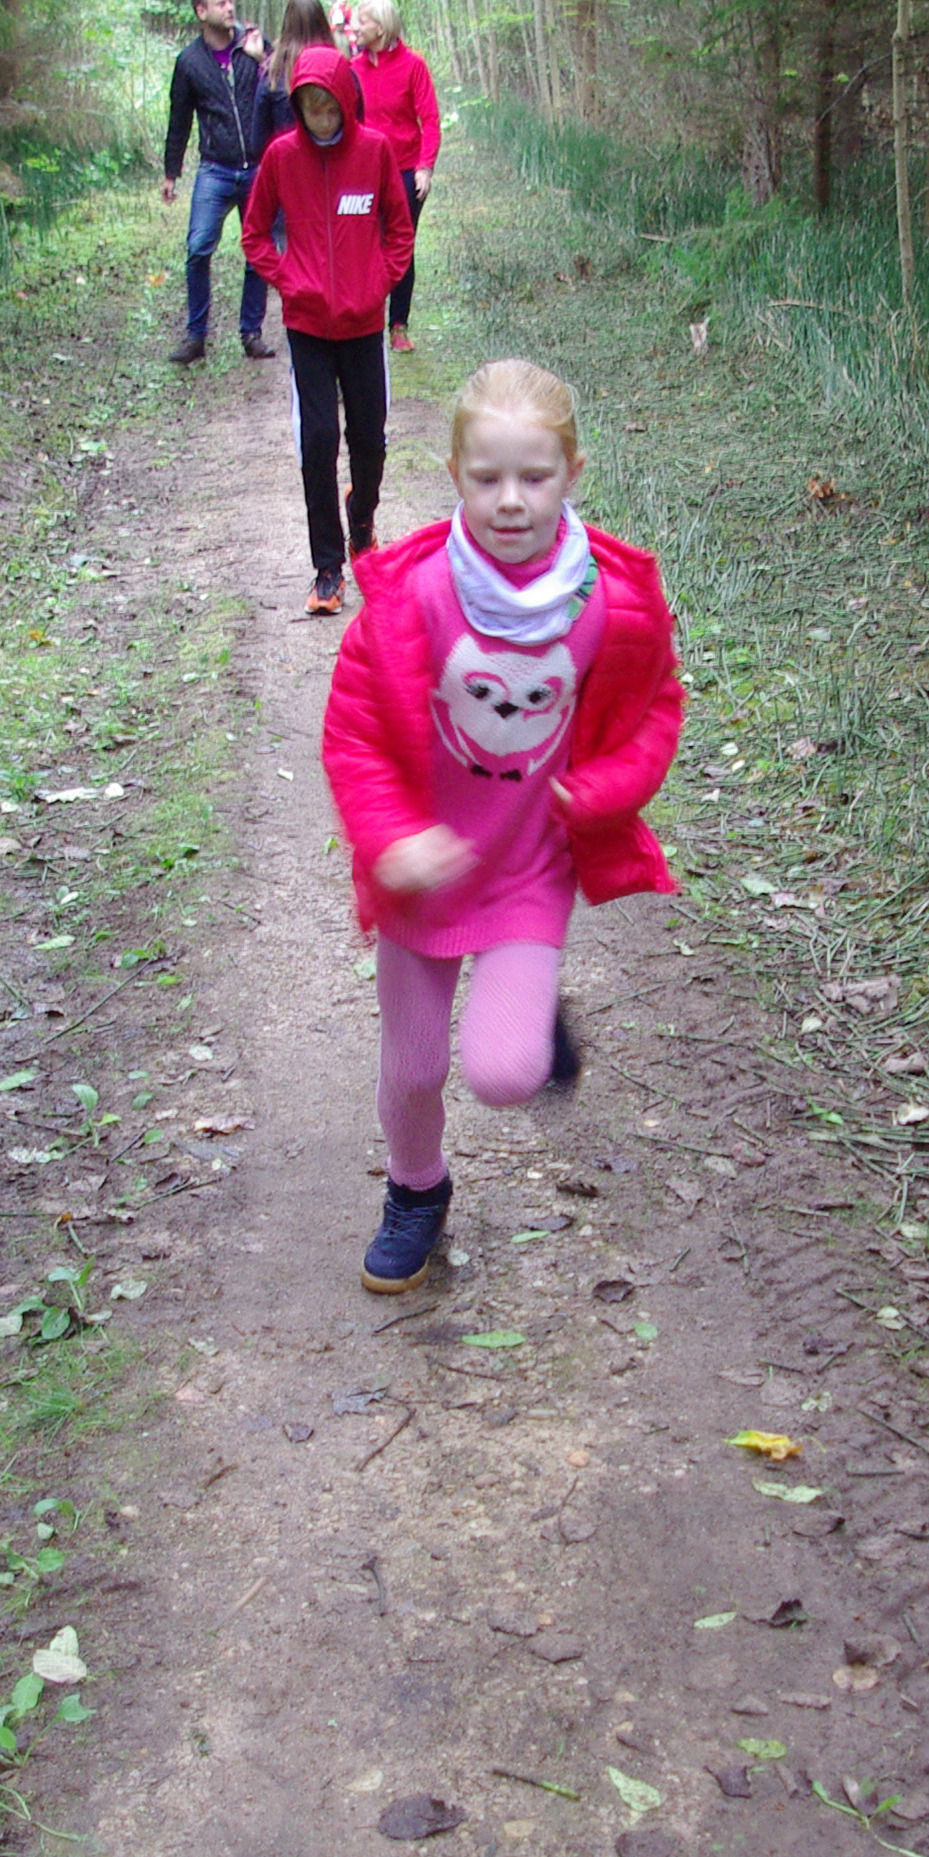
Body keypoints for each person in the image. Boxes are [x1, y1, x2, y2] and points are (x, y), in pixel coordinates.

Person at [318, 360, 685, 1293]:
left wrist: (604, 788)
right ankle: (416, 1188)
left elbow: (654, 712)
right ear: (453, 473)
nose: (511, 500)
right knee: (412, 1068)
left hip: (528, 869)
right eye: (487, 478)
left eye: (536, 477)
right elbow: (354, 734)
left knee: (504, 1073)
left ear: (572, 473)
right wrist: (391, 838)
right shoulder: (416, 597)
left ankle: (526, 1005)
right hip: (425, 874)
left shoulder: (608, 600)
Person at [243, 44, 416, 615]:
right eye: (309, 107)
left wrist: (378, 284)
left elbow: (399, 229)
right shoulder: (280, 158)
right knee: (318, 441)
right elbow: (254, 236)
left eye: (328, 106)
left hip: (364, 323)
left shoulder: (375, 151)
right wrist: (288, 279)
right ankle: (327, 568)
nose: (320, 117)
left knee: (369, 438)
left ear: (345, 102)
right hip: (308, 325)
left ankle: (361, 520)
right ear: (297, 105)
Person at [159, 0, 276, 362]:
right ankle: (195, 336)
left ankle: (251, 332)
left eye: (230, 1)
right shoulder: (189, 62)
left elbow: (286, 88)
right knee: (197, 248)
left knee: (258, 251)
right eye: (221, 3)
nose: (230, 8)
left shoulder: (253, 44)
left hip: (258, 166)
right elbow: (180, 119)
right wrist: (171, 172)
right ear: (201, 11)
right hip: (216, 168)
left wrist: (262, 60)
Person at [357, 0, 443, 353]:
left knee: (400, 248)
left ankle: (399, 325)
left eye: (362, 21)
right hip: (364, 174)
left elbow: (431, 120)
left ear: (380, 26)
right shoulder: (353, 68)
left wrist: (425, 168)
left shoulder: (413, 65)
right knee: (366, 247)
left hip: (406, 171)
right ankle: (366, 322)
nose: (355, 27)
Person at [259, 0, 365, 140]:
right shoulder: (340, 68)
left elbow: (258, 138)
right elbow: (358, 121)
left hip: (288, 160)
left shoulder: (273, 74)